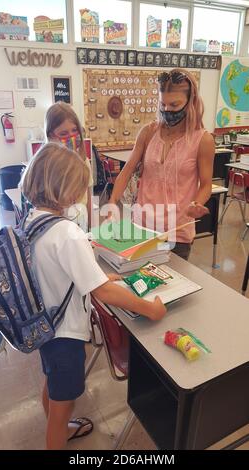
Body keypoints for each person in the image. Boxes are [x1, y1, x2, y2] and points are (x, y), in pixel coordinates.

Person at [20, 142, 166, 450]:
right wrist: (149, 309)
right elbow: (104, 291)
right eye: (79, 186)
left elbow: (58, 271)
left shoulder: (32, 220)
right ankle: (58, 436)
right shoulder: (66, 232)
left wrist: (97, 276)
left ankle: (60, 428)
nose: (82, 195)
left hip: (45, 327)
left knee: (52, 384)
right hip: (66, 337)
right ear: (65, 188)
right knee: (63, 407)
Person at [108, 69, 215, 260]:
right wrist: (112, 202)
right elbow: (127, 171)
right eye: (163, 104)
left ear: (191, 102)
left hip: (177, 231)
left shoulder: (203, 140)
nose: (167, 110)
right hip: (142, 225)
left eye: (174, 105)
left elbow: (206, 183)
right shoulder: (148, 132)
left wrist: (197, 203)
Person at [45, 101, 92, 232]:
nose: (71, 136)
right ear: (51, 136)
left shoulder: (83, 161)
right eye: (64, 134)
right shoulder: (47, 166)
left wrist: (92, 228)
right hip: (57, 226)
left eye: (74, 130)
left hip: (81, 223)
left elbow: (88, 196)